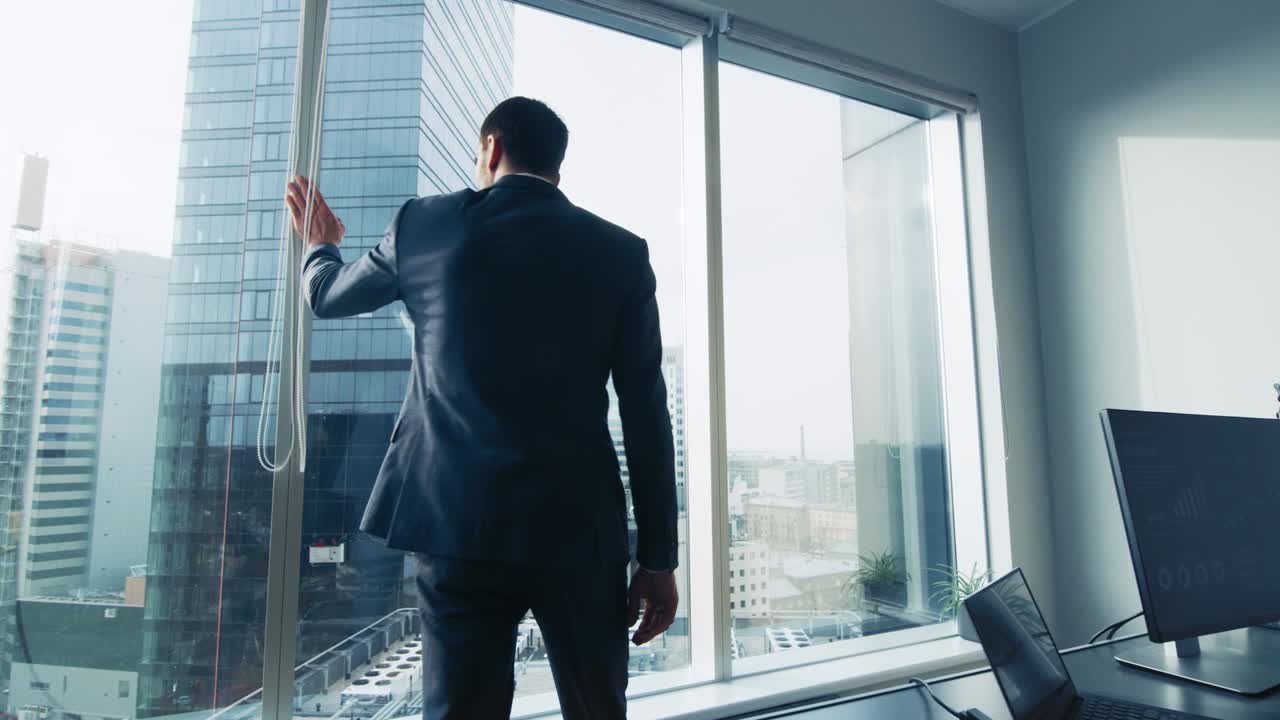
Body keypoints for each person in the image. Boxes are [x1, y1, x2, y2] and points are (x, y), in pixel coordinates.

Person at [285, 96, 679, 719]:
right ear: (557, 167)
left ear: (491, 148)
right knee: (597, 707)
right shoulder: (620, 253)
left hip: (454, 524)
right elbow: (646, 412)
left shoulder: (423, 226)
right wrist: (658, 558)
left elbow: (327, 296)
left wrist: (321, 244)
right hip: (577, 532)